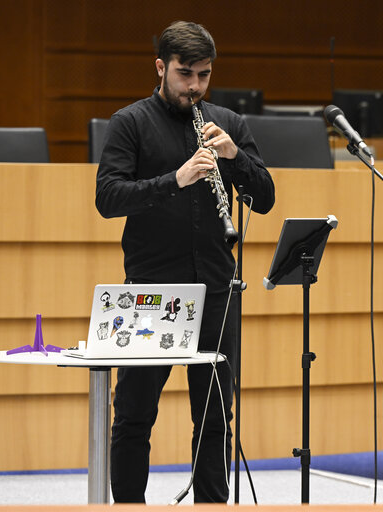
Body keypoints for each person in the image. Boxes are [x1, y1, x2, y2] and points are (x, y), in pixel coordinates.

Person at [95, 21, 275, 503]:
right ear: (161, 68)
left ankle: (212, 504)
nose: (195, 86)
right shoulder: (129, 122)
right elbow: (108, 198)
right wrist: (173, 179)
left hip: (216, 290)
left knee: (216, 415)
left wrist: (235, 157)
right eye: (184, 74)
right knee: (134, 414)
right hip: (151, 291)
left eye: (204, 75)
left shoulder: (228, 124)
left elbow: (265, 198)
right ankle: (129, 504)